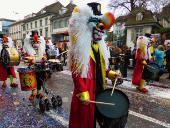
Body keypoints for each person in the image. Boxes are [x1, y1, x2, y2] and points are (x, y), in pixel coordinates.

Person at [68, 3, 121, 128]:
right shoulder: (80, 48)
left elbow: (102, 69)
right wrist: (82, 92)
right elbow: (76, 73)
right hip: (85, 92)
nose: (101, 30)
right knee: (82, 123)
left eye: (103, 27)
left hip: (98, 90)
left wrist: (112, 74)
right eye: (99, 25)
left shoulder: (99, 47)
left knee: (93, 121)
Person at [23, 31, 47, 100]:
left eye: (37, 42)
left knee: (40, 80)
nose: (36, 43)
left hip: (41, 65)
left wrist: (44, 57)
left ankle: (38, 92)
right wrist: (30, 60)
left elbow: (44, 54)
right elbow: (25, 57)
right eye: (34, 41)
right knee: (33, 80)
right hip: (32, 66)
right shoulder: (27, 46)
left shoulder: (41, 45)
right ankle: (33, 93)